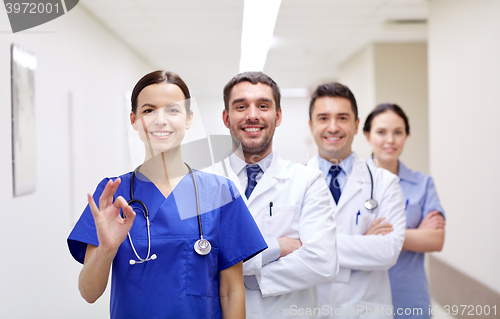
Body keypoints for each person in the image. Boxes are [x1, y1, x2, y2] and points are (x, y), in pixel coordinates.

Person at [67, 70, 267, 319]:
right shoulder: (112, 194)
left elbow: (232, 290)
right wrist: (106, 250)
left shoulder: (219, 193)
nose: (161, 120)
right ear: (134, 120)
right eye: (149, 110)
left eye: (172, 110)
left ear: (189, 118)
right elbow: (89, 293)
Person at [205, 72, 338, 319]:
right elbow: (196, 263)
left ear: (277, 117)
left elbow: (323, 263)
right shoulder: (200, 183)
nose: (252, 115)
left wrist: (239, 272)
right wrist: (276, 248)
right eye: (241, 106)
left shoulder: (308, 181)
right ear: (226, 118)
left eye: (263, 106)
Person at [306, 82, 406, 318]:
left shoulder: (385, 182)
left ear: (356, 124)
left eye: (342, 118)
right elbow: (285, 251)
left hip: (367, 309)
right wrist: (362, 243)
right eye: (323, 118)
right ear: (311, 126)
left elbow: (388, 252)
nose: (333, 127)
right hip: (311, 308)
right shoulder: (293, 183)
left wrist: (310, 244)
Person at [363, 103, 445, 319]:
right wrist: (413, 235)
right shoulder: (352, 184)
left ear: (406, 136)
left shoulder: (423, 183)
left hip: (410, 299)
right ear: (366, 135)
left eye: (398, 132)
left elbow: (436, 240)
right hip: (363, 299)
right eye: (381, 132)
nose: (390, 140)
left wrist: (376, 237)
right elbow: (342, 240)